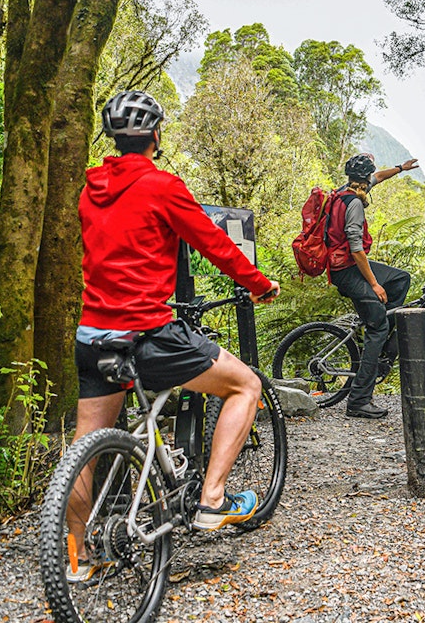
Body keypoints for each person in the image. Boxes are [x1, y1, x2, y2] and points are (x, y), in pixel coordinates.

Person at [70, 90, 280, 577]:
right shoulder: (162, 186)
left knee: (87, 445)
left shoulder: (89, 189)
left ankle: (74, 559)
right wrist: (260, 284)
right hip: (148, 334)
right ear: (155, 135)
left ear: (114, 138)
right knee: (245, 385)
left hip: (93, 335)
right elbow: (216, 244)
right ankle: (212, 500)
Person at [326, 152, 419, 419]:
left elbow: (378, 176)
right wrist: (375, 285)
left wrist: (401, 168)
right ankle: (358, 401)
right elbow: (356, 249)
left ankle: (381, 318)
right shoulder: (354, 203)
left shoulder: (346, 190)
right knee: (377, 329)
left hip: (345, 266)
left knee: (401, 279)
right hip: (348, 270)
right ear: (363, 179)